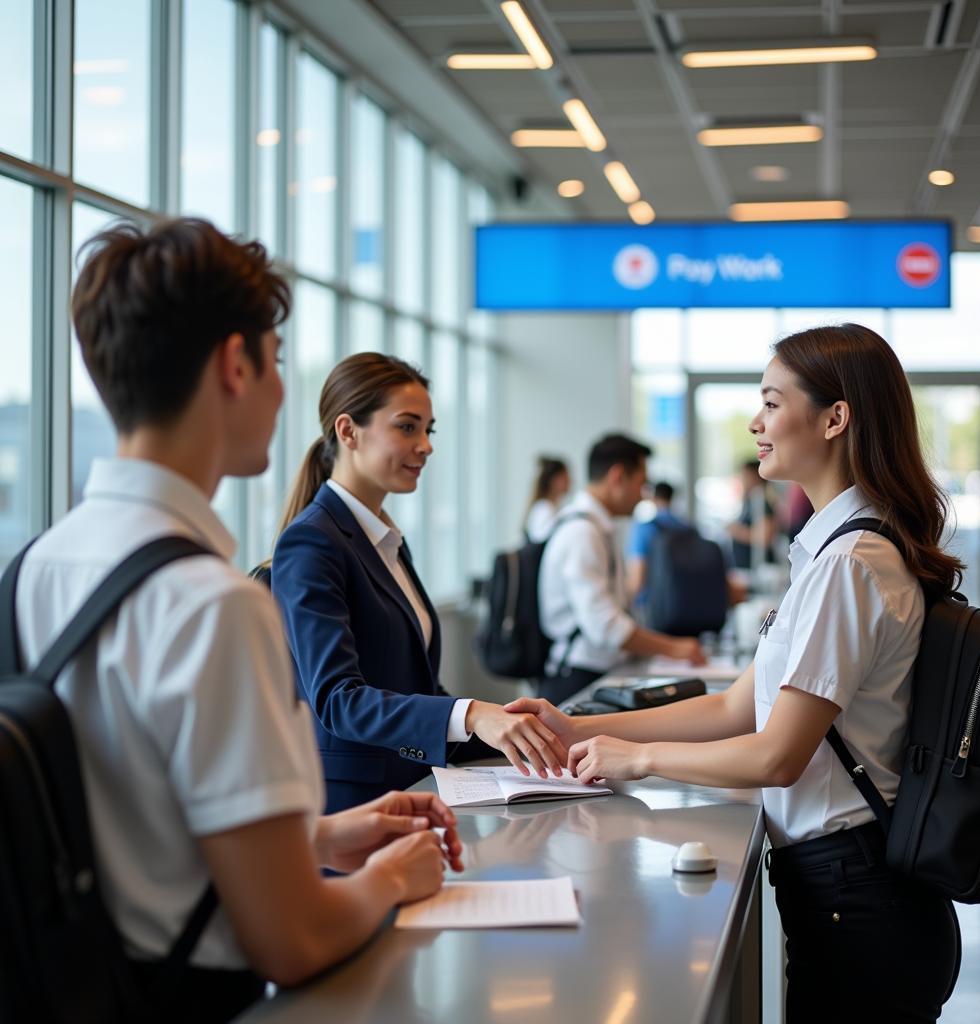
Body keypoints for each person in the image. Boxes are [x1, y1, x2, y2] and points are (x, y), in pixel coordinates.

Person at [12, 219, 463, 1020]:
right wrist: (397, 872)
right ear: (234, 365)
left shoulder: (30, 570)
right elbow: (289, 938)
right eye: (277, 363)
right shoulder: (213, 605)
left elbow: (126, 831)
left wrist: (322, 839)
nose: (284, 390)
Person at [510, 324, 963, 1023]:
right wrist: (579, 726)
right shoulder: (838, 550)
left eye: (773, 402)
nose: (756, 422)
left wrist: (638, 758)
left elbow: (778, 755)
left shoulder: (851, 564)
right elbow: (734, 708)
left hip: (860, 895)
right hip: (851, 891)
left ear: (836, 418)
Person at [271, 353, 567, 814]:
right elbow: (337, 700)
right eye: (407, 427)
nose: (425, 445)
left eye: (428, 430)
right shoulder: (313, 542)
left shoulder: (385, 541)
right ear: (348, 431)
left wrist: (515, 730)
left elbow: (419, 690)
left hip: (417, 791)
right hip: (356, 810)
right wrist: (472, 715)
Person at [537, 434, 705, 706]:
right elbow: (605, 626)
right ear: (618, 477)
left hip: (595, 672)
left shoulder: (598, 528)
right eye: (641, 483)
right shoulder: (582, 533)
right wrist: (675, 648)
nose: (643, 495)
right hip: (578, 679)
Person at [625, 480, 688, 604]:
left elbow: (637, 579)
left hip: (653, 605)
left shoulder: (644, 529)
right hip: (683, 602)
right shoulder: (688, 529)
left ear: (653, 497)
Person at [727, 459, 777, 569]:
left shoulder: (762, 503)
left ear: (755, 476)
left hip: (757, 569)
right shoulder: (750, 501)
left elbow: (764, 537)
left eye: (745, 475)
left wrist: (737, 531)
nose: (742, 480)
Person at [524, 455, 571, 542]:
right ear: (554, 480)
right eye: (565, 477)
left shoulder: (551, 508)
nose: (570, 481)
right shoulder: (543, 509)